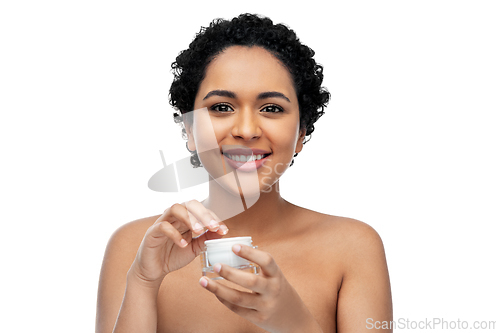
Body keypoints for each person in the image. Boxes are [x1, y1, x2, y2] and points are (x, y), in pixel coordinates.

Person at [96, 13, 392, 333]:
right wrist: (142, 281)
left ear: (302, 132)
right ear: (191, 130)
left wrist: (295, 323)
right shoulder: (135, 247)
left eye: (272, 108)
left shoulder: (353, 248)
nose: (247, 130)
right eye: (222, 107)